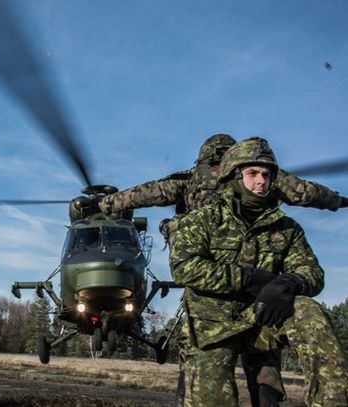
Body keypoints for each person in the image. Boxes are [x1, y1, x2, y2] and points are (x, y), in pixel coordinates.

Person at [97, 133, 347, 406]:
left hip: (260, 311)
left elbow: (143, 194)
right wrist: (337, 201)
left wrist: (287, 284)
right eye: (252, 173)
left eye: (265, 174)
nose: (260, 181)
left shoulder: (282, 225)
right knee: (207, 377)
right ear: (235, 172)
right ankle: (197, 385)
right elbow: (305, 191)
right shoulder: (202, 218)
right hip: (212, 315)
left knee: (303, 312)